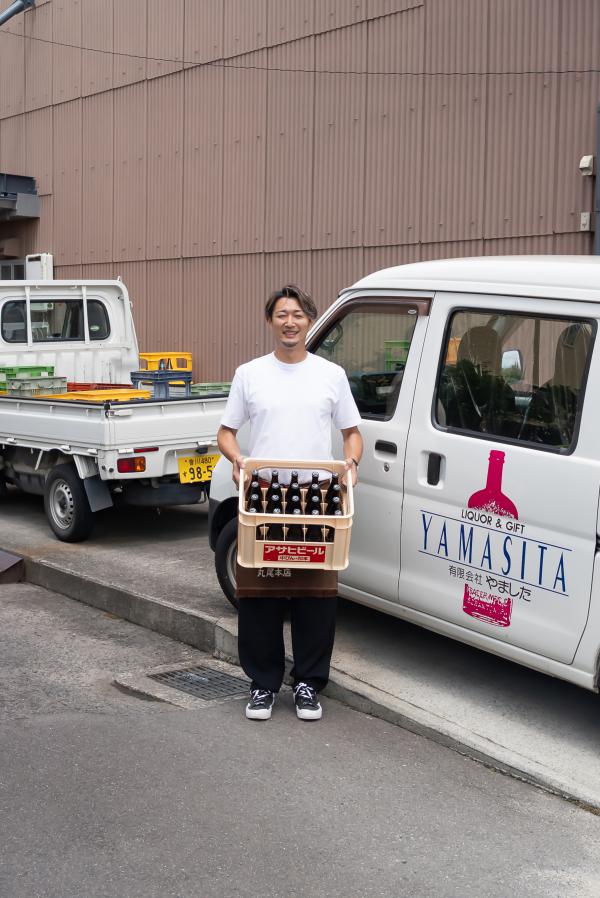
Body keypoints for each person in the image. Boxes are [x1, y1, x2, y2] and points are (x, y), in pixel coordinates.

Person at [217, 285, 363, 722]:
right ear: (270, 321)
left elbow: (352, 433)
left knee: (315, 594)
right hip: (263, 496)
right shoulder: (250, 374)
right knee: (259, 593)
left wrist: (351, 463)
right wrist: (238, 459)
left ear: (309, 321)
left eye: (297, 314)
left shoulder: (330, 375)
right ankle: (263, 684)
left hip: (318, 498)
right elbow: (226, 432)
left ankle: (308, 684)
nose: (290, 322)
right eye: (281, 314)